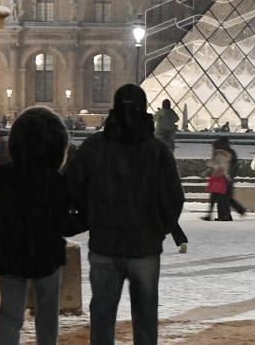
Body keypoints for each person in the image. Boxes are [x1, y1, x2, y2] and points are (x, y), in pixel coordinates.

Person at [66, 84, 185, 345]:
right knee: (145, 317)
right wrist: (157, 229)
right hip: (145, 247)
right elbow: (174, 198)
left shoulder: (93, 147)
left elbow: (71, 188)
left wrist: (90, 217)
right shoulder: (158, 150)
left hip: (105, 244)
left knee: (102, 315)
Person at [0, 106, 76, 345]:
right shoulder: (56, 182)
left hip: (9, 252)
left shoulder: (2, 175)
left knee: (9, 315)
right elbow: (63, 220)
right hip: (47, 254)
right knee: (47, 314)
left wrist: (4, 231)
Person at [213, 137, 247, 216]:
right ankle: (238, 210)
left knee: (223, 196)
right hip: (226, 176)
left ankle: (226, 215)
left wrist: (228, 174)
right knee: (225, 196)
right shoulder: (229, 152)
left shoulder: (225, 152)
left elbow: (228, 165)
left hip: (225, 176)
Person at [203, 143, 234, 221]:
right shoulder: (222, 154)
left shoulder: (219, 155)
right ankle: (214, 215)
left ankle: (225, 216)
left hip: (219, 179)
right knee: (216, 198)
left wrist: (211, 161)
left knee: (218, 199)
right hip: (218, 178)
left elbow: (215, 165)